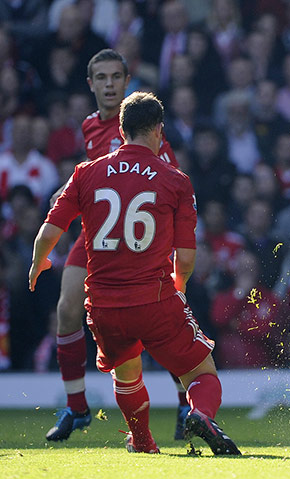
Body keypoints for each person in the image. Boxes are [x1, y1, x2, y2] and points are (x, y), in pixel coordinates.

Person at [29, 91, 240, 455]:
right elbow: (186, 256)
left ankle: (142, 441)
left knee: (126, 373)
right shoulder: (175, 180)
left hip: (104, 304)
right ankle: (201, 414)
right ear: (159, 130)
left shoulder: (86, 173)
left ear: (122, 130)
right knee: (201, 372)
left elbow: (50, 230)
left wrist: (38, 263)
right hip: (154, 298)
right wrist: (180, 287)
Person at [45, 48, 188, 443]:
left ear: (127, 82)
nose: (109, 85)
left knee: (167, 317)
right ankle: (77, 408)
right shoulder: (90, 126)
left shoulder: (142, 128)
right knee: (66, 308)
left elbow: (172, 181)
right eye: (101, 78)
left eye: (115, 77)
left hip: (142, 239)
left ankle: (183, 402)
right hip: (98, 237)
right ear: (91, 84)